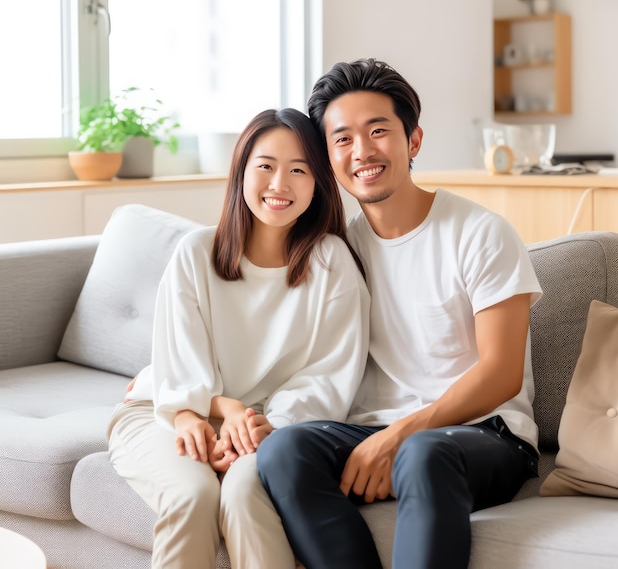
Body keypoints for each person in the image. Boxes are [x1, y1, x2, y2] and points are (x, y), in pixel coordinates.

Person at [257, 59, 543, 569]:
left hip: (484, 434)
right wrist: (168, 383)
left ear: (413, 141)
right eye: (341, 139)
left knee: (424, 454)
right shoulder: (336, 249)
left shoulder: (480, 233)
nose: (362, 151)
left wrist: (401, 435)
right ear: (328, 158)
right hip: (374, 430)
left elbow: (500, 373)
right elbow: (268, 336)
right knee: (284, 451)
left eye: (378, 131)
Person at [107, 107, 370, 569]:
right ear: (240, 172)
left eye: (299, 170)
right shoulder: (196, 253)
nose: (279, 184)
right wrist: (204, 413)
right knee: (192, 496)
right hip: (166, 410)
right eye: (265, 166)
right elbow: (177, 362)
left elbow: (329, 375)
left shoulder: (332, 263)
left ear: (319, 181)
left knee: (245, 492)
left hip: (270, 428)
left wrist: (255, 428)